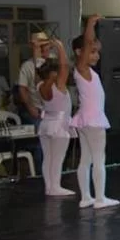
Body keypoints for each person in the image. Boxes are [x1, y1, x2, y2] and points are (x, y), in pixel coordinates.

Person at [70, 15, 119, 209]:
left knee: (87, 158)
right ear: (80, 52)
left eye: (97, 52)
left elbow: (89, 43)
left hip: (85, 119)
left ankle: (86, 197)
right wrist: (90, 24)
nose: (96, 55)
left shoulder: (88, 72)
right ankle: (100, 198)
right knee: (99, 159)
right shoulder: (81, 68)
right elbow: (89, 40)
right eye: (92, 52)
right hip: (93, 120)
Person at [37, 39, 73, 196]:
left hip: (46, 124)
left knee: (48, 157)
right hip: (59, 125)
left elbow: (38, 65)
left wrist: (38, 51)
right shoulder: (57, 84)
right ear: (54, 72)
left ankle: (49, 186)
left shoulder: (39, 84)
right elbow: (65, 66)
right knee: (58, 157)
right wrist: (59, 46)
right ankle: (55, 187)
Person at [17, 31, 48, 171]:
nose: (42, 46)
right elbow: (22, 89)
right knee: (40, 142)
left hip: (51, 110)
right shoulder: (27, 66)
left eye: (44, 43)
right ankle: (40, 174)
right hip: (36, 109)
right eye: (39, 44)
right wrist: (30, 108)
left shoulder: (52, 63)